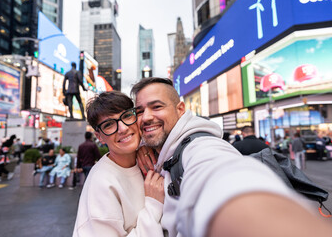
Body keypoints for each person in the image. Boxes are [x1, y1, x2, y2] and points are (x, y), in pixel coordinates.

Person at [131, 77, 332, 237]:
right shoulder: (161, 152)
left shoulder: (201, 147)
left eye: (157, 107)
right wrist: (139, 146)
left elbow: (222, 176)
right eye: (140, 111)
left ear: (180, 109)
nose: (146, 117)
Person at [73, 91, 165, 236]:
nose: (123, 128)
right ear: (99, 137)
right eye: (109, 125)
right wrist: (153, 206)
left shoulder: (153, 154)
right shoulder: (101, 184)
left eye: (127, 116)